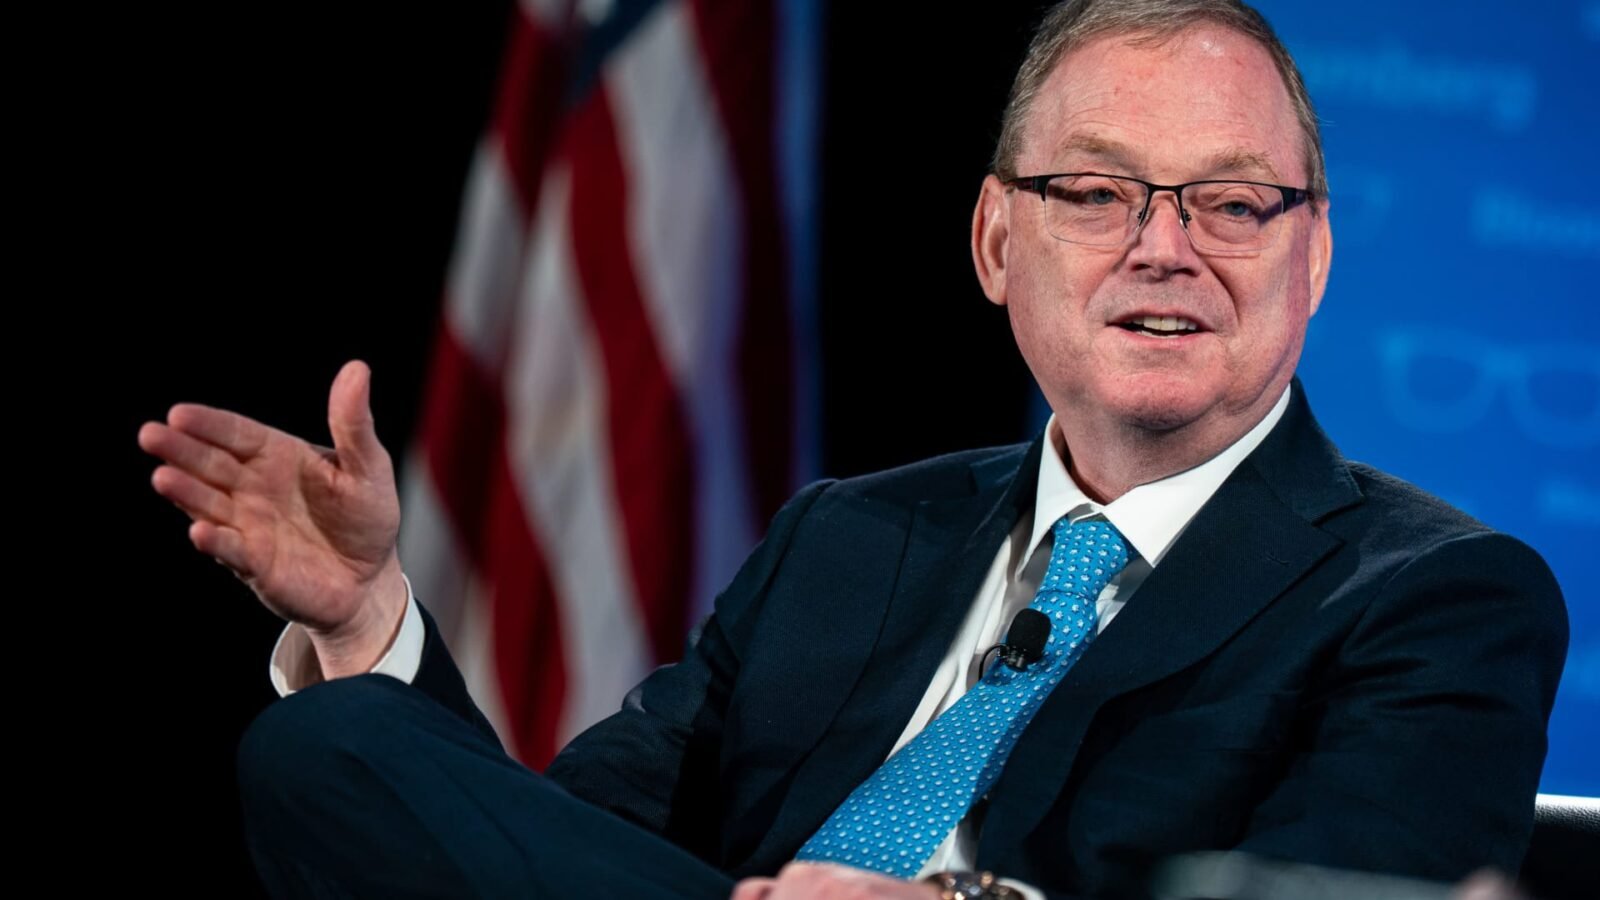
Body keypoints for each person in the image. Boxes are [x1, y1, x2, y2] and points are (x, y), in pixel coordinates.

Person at [137, 1, 1567, 898]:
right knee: (335, 743)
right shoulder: (844, 540)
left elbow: (1338, 896)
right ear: (996, 242)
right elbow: (545, 852)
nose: (1167, 247)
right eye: (1098, 191)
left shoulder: (1437, 598)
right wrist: (374, 623)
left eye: (1235, 202)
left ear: (1314, 258)